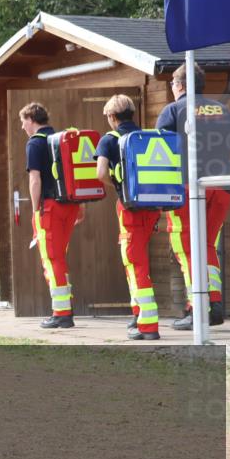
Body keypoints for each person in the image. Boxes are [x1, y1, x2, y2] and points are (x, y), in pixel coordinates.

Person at [156, 63, 230, 330]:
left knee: (186, 247)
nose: (172, 88)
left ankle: (198, 308)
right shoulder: (222, 109)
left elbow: (159, 154)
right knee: (206, 245)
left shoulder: (172, 111)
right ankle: (214, 304)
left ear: (180, 85)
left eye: (172, 83)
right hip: (221, 185)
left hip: (186, 188)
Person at [94, 95, 160, 341]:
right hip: (152, 208)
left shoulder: (109, 140)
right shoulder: (147, 137)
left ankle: (148, 326)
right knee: (139, 261)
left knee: (135, 263)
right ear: (132, 113)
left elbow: (100, 172)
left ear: (112, 117)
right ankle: (138, 316)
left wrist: (120, 187)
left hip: (129, 209)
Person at [20, 102, 84, 329]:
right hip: (70, 205)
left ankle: (62, 313)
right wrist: (80, 204)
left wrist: (35, 207)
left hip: (50, 208)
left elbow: (34, 180)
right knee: (60, 257)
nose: (22, 127)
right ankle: (65, 307)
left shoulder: (35, 144)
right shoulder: (61, 139)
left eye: (23, 122)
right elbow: (75, 174)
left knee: (52, 259)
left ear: (31, 119)